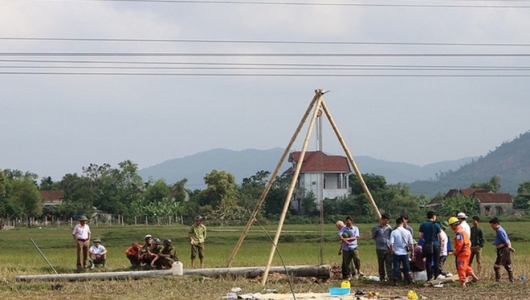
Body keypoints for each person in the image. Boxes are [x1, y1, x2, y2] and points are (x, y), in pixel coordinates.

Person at [448, 217, 478, 288]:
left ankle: (463, 283)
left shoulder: (458, 233)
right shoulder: (462, 231)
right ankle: (474, 277)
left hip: (462, 252)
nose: (451, 227)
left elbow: (460, 244)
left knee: (461, 267)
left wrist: (456, 251)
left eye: (451, 225)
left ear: (454, 225)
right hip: (467, 251)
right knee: (466, 265)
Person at [489, 217, 515, 283]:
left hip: (503, 250)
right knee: (507, 265)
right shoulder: (500, 230)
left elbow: (506, 241)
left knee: (496, 266)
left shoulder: (500, 231)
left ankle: (498, 281)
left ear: (496, 224)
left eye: (492, 225)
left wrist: (509, 247)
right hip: (504, 249)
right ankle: (511, 280)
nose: (492, 227)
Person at [389, 217, 414, 285]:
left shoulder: (394, 232)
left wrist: (391, 252)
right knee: (407, 267)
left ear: (396, 224)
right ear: (402, 223)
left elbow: (391, 244)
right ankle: (409, 281)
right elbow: (411, 243)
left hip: (396, 252)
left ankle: (395, 281)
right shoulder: (408, 232)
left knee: (396, 267)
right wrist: (412, 253)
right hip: (405, 253)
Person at [418, 211, 441, 281]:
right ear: (433, 216)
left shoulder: (423, 224)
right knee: (436, 261)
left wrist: (424, 241)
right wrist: (440, 245)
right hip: (436, 244)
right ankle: (436, 276)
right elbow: (440, 237)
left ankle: (429, 277)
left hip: (427, 245)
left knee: (428, 261)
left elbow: (419, 236)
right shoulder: (436, 225)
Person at [371, 213, 392, 282]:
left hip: (388, 248)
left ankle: (390, 277)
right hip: (380, 248)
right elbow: (373, 236)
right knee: (381, 264)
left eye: (388, 220)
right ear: (382, 219)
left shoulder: (389, 228)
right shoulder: (376, 228)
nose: (387, 222)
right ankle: (382, 277)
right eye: (385, 220)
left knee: (388, 263)